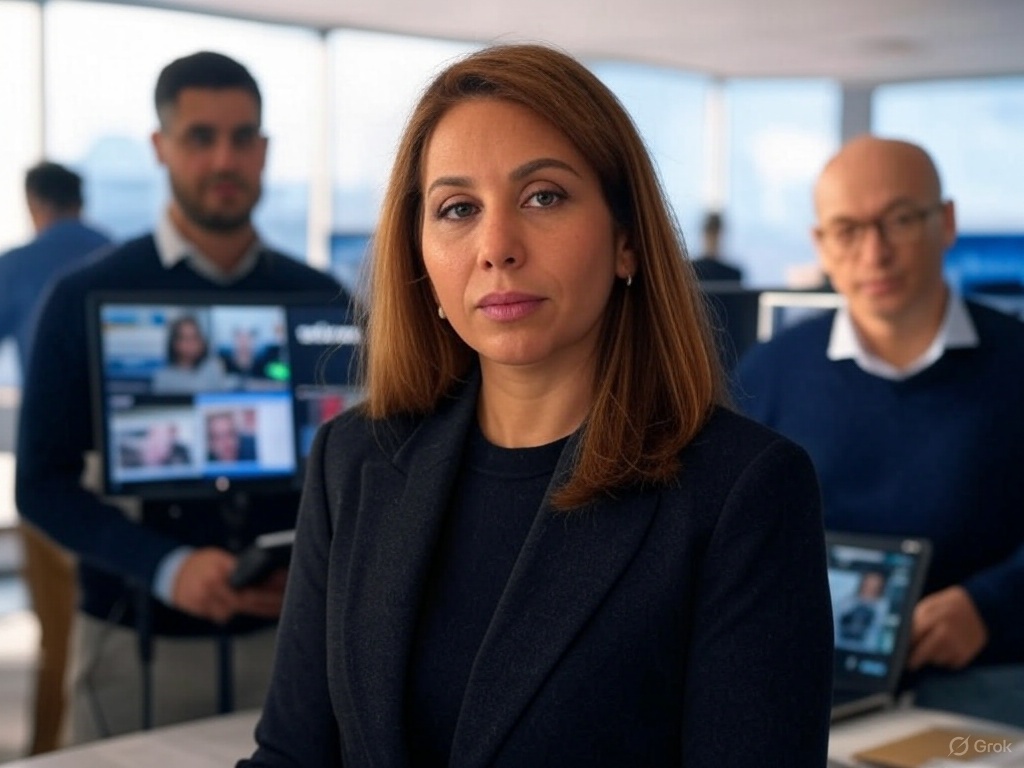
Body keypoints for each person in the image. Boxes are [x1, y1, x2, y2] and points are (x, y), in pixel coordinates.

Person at [240, 43, 833, 768]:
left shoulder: (743, 491)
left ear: (626, 240)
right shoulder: (354, 459)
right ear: (420, 256)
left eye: (543, 196)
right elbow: (292, 755)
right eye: (458, 209)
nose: (496, 247)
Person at [15, 50, 348, 745]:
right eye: (201, 137)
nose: (224, 159)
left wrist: (319, 569)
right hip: (134, 647)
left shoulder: (322, 298)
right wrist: (165, 568)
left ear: (264, 150)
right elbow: (41, 485)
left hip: (293, 647)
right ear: (160, 147)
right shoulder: (81, 295)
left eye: (242, 137)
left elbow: (361, 470)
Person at [734, 135, 1024, 727]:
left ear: (946, 222)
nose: (875, 253)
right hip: (806, 675)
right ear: (821, 244)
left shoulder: (1015, 362)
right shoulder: (770, 373)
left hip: (985, 678)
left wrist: (991, 605)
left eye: (899, 220)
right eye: (847, 230)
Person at [0, 161, 111, 755]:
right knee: (108, 628)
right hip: (119, 477)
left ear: (33, 203)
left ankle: (48, 754)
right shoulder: (118, 256)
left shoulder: (17, 266)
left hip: (52, 476)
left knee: (57, 637)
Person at [152, 314, 229, 393]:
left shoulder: (213, 367)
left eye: (195, 337)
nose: (191, 343)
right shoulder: (163, 377)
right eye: (185, 338)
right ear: (174, 343)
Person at [690, 211, 744, 283]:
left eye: (715, 234)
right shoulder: (689, 270)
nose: (713, 239)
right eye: (710, 233)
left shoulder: (733, 274)